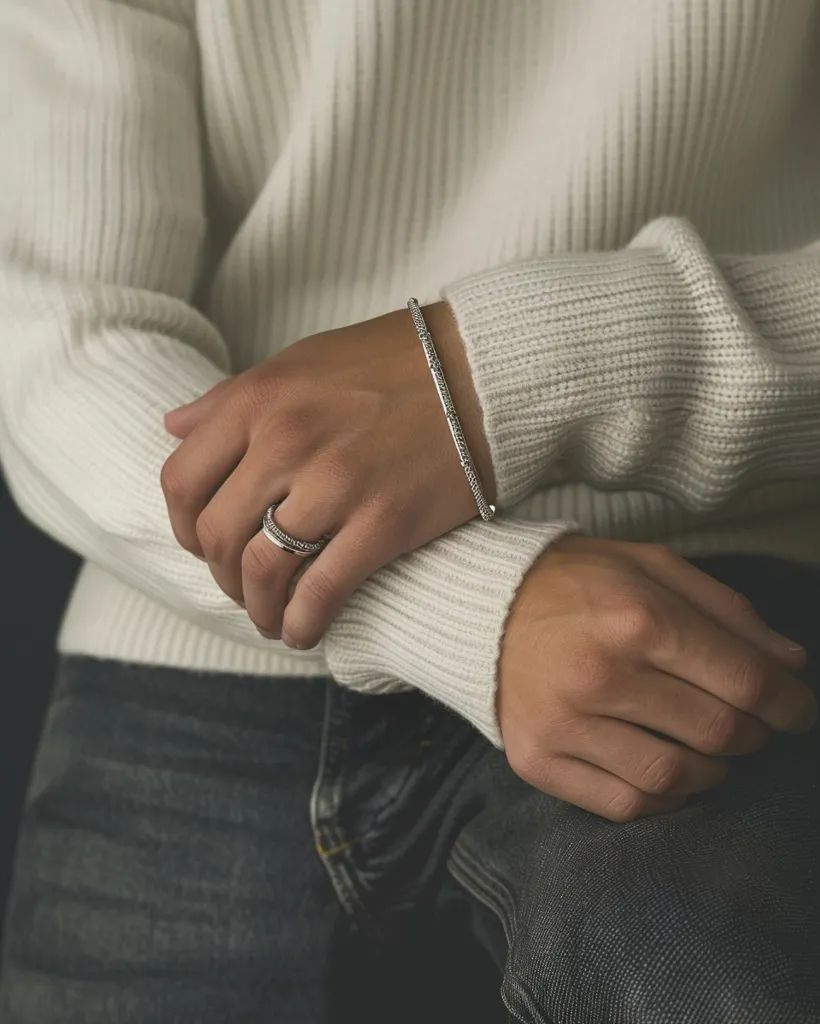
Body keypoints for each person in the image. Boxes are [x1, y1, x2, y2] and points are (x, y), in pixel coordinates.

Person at [1, 0, 819, 1020]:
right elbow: (55, 343)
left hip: (687, 621)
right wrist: (484, 606)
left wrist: (499, 376)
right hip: (190, 656)